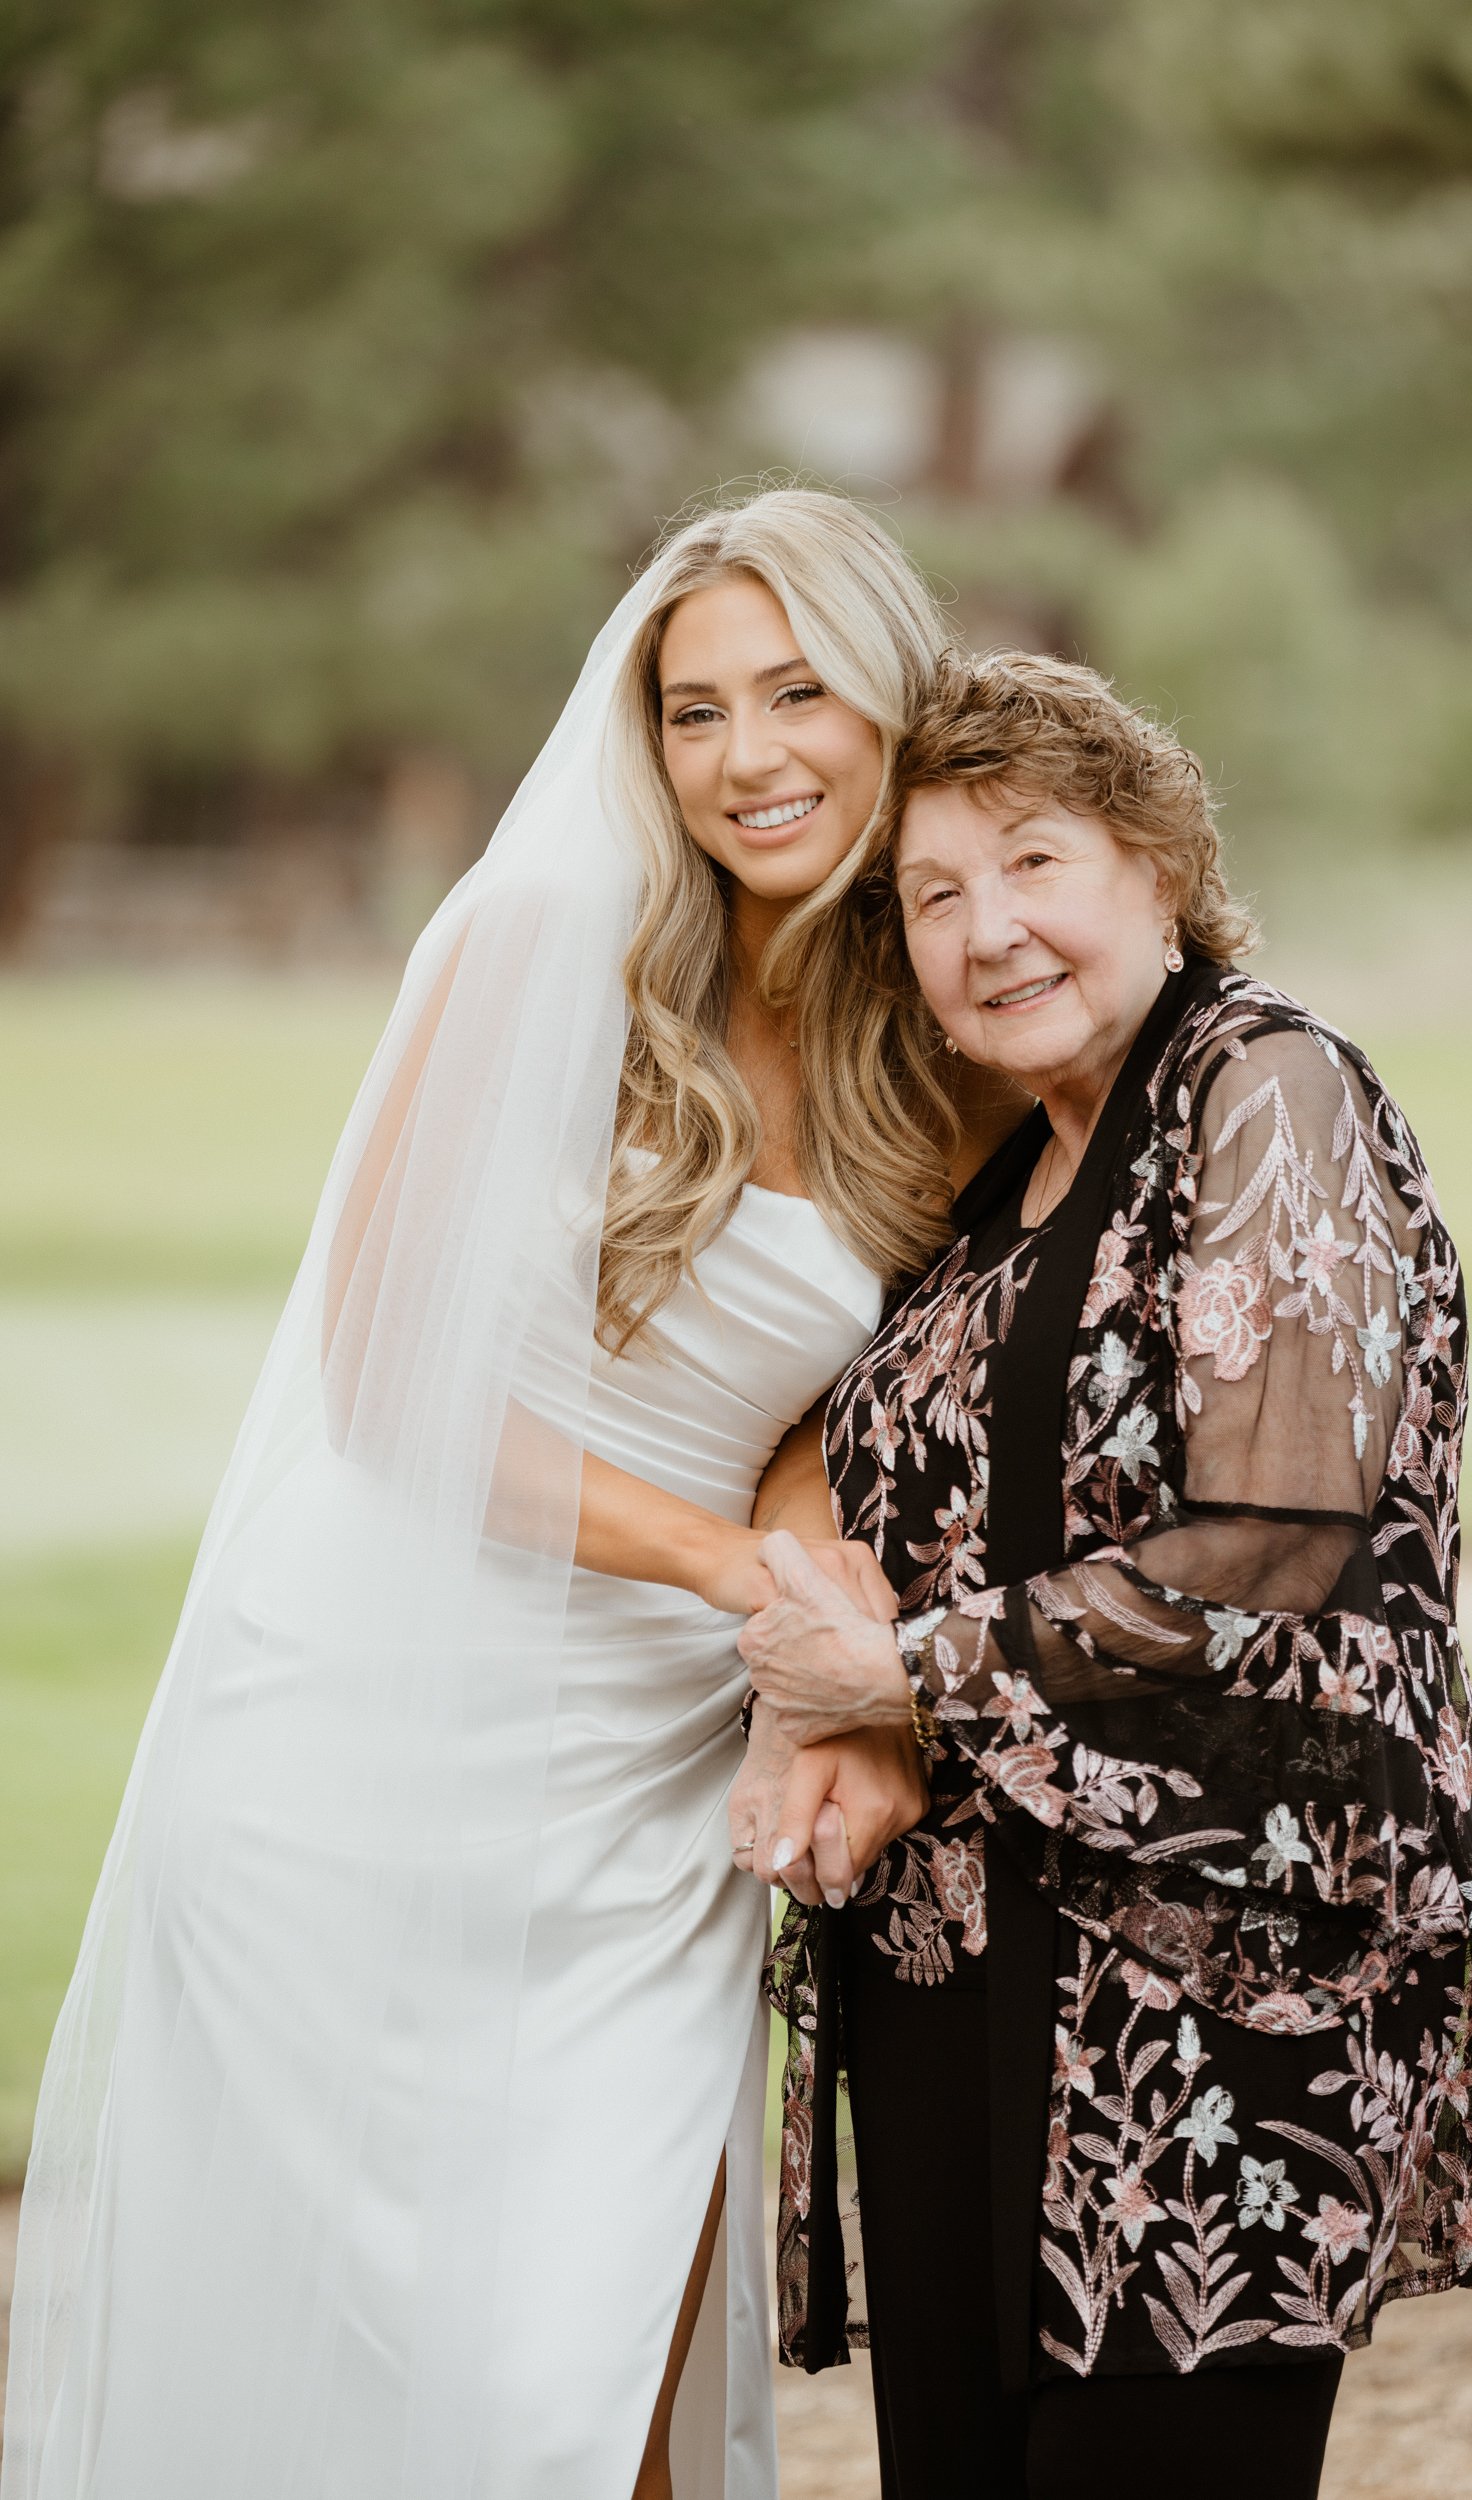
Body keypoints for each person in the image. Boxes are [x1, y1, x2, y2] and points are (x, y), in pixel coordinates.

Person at [1, 491, 985, 2500]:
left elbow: (835, 1385)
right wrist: (748, 1573)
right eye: (695, 708)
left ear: (896, 701)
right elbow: (389, 1376)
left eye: (798, 692)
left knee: (601, 2342)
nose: (747, 755)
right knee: (347, 2375)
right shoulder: (541, 939)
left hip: (648, 1775)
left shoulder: (932, 1032)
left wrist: (805, 1594)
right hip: (364, 1730)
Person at [735, 649, 1472, 2500]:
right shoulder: (990, 1189)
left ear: (1159, 870)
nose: (987, 930)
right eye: (934, 895)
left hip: (1207, 1999)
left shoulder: (1266, 1093)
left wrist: (904, 1679)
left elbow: (1271, 1541)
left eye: (1034, 863)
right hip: (958, 1981)